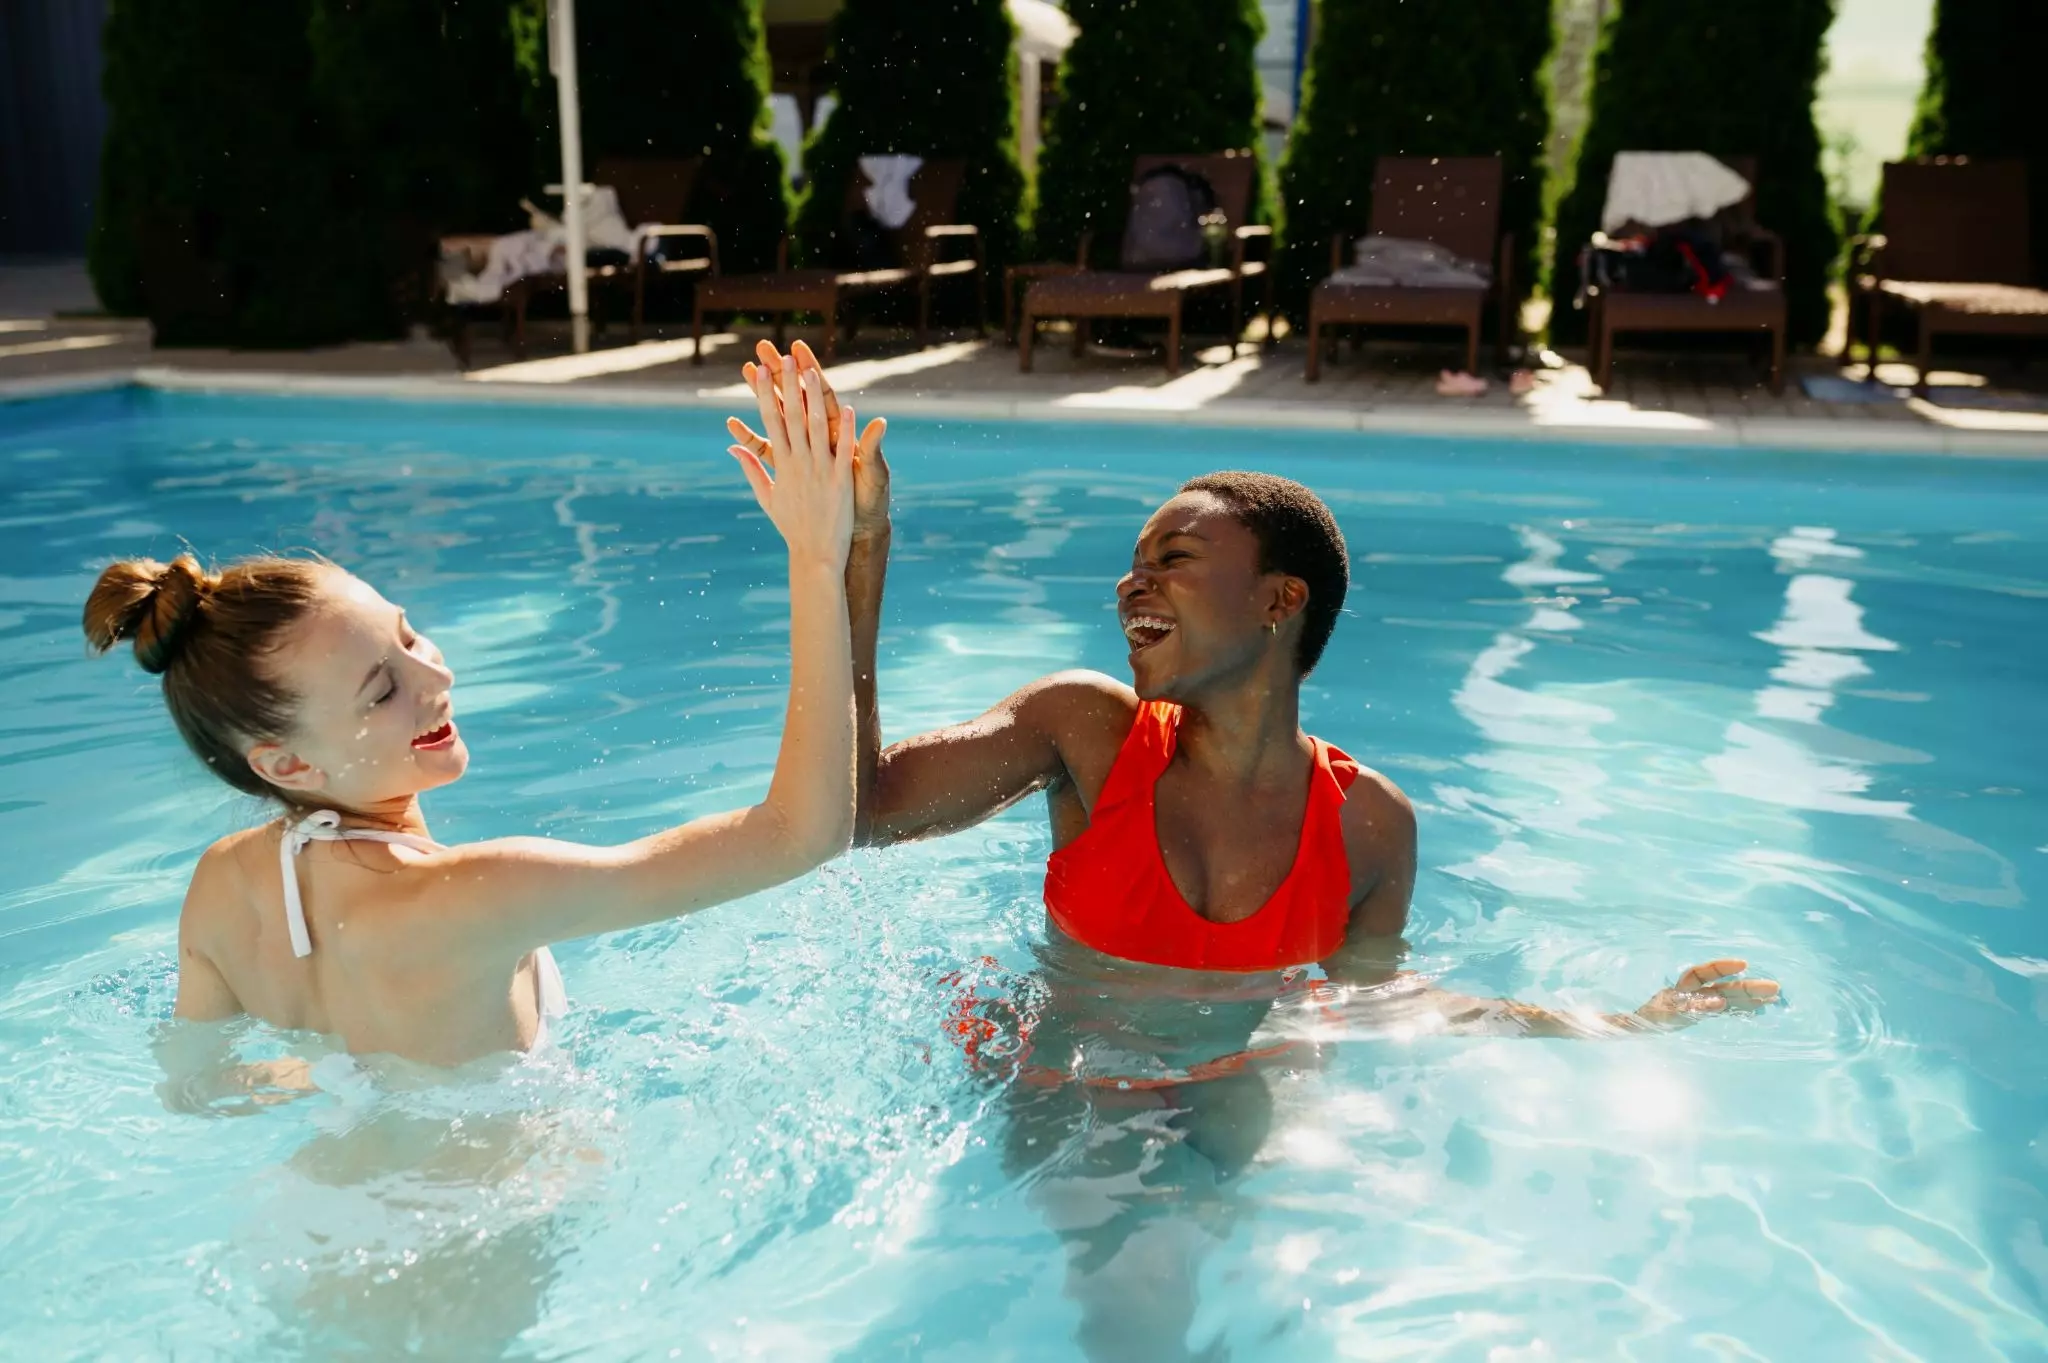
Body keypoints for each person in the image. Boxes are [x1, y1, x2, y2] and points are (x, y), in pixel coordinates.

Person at [729, 339, 1780, 1362]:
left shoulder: (1370, 822)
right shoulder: (1085, 731)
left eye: (1172, 561)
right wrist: (858, 551)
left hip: (1248, 1082)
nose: (1130, 586)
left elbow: (1382, 1002)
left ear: (1281, 600)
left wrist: (1627, 1024)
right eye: (1132, 566)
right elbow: (850, 811)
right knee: (1139, 1295)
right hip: (1078, 1080)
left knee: (1318, 1272)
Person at [90, 360, 860, 1080]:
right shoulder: (483, 894)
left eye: (407, 635)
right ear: (285, 763)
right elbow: (802, 833)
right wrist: (819, 557)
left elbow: (197, 1088)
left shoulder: (223, 885)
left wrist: (331, 1084)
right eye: (382, 690)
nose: (436, 676)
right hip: (517, 1187)